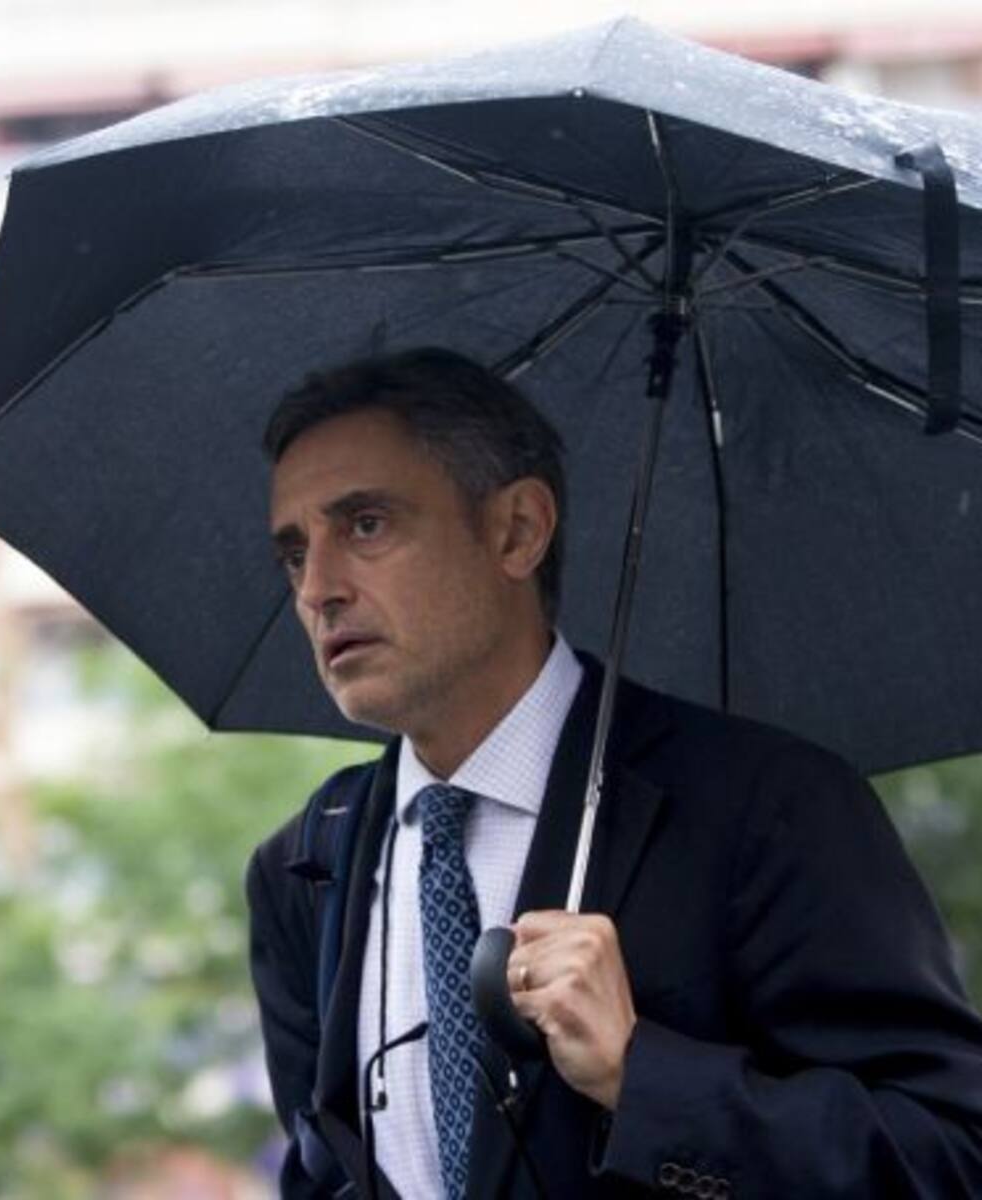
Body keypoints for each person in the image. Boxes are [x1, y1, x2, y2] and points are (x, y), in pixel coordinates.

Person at [246, 347, 982, 1199]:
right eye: (294, 553)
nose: (318, 589)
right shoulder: (303, 869)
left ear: (517, 530)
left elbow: (950, 1157)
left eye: (366, 525)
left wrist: (642, 1076)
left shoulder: (766, 805)